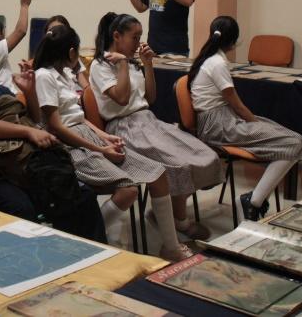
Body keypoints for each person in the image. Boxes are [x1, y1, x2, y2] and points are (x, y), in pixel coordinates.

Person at [33, 25, 191, 259]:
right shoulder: (44, 76)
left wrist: (105, 136)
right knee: (128, 191)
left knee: (158, 174)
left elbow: (79, 117)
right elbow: (57, 126)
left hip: (88, 137)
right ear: (70, 52)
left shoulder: (66, 73)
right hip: (68, 145)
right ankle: (87, 240)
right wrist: (100, 149)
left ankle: (171, 247)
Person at [0, 39, 106, 242]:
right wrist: (28, 132)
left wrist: (29, 92)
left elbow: (33, 119)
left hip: (26, 162)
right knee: (23, 208)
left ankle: (90, 253)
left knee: (81, 194)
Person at [90, 12, 222, 240]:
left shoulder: (131, 62)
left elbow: (150, 98)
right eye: (135, 37)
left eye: (141, 36)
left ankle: (169, 213)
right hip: (123, 128)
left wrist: (147, 65)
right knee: (178, 164)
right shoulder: (101, 64)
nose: (139, 43)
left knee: (203, 154)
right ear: (117, 36)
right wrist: (122, 64)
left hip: (147, 120)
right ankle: (179, 221)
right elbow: (121, 99)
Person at [188, 16, 302, 221]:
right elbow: (238, 106)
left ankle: (255, 199)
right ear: (234, 41)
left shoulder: (210, 58)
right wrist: (255, 124)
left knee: (287, 137)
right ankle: (252, 201)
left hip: (222, 119)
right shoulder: (216, 63)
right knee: (294, 142)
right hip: (219, 125)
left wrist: (256, 124)